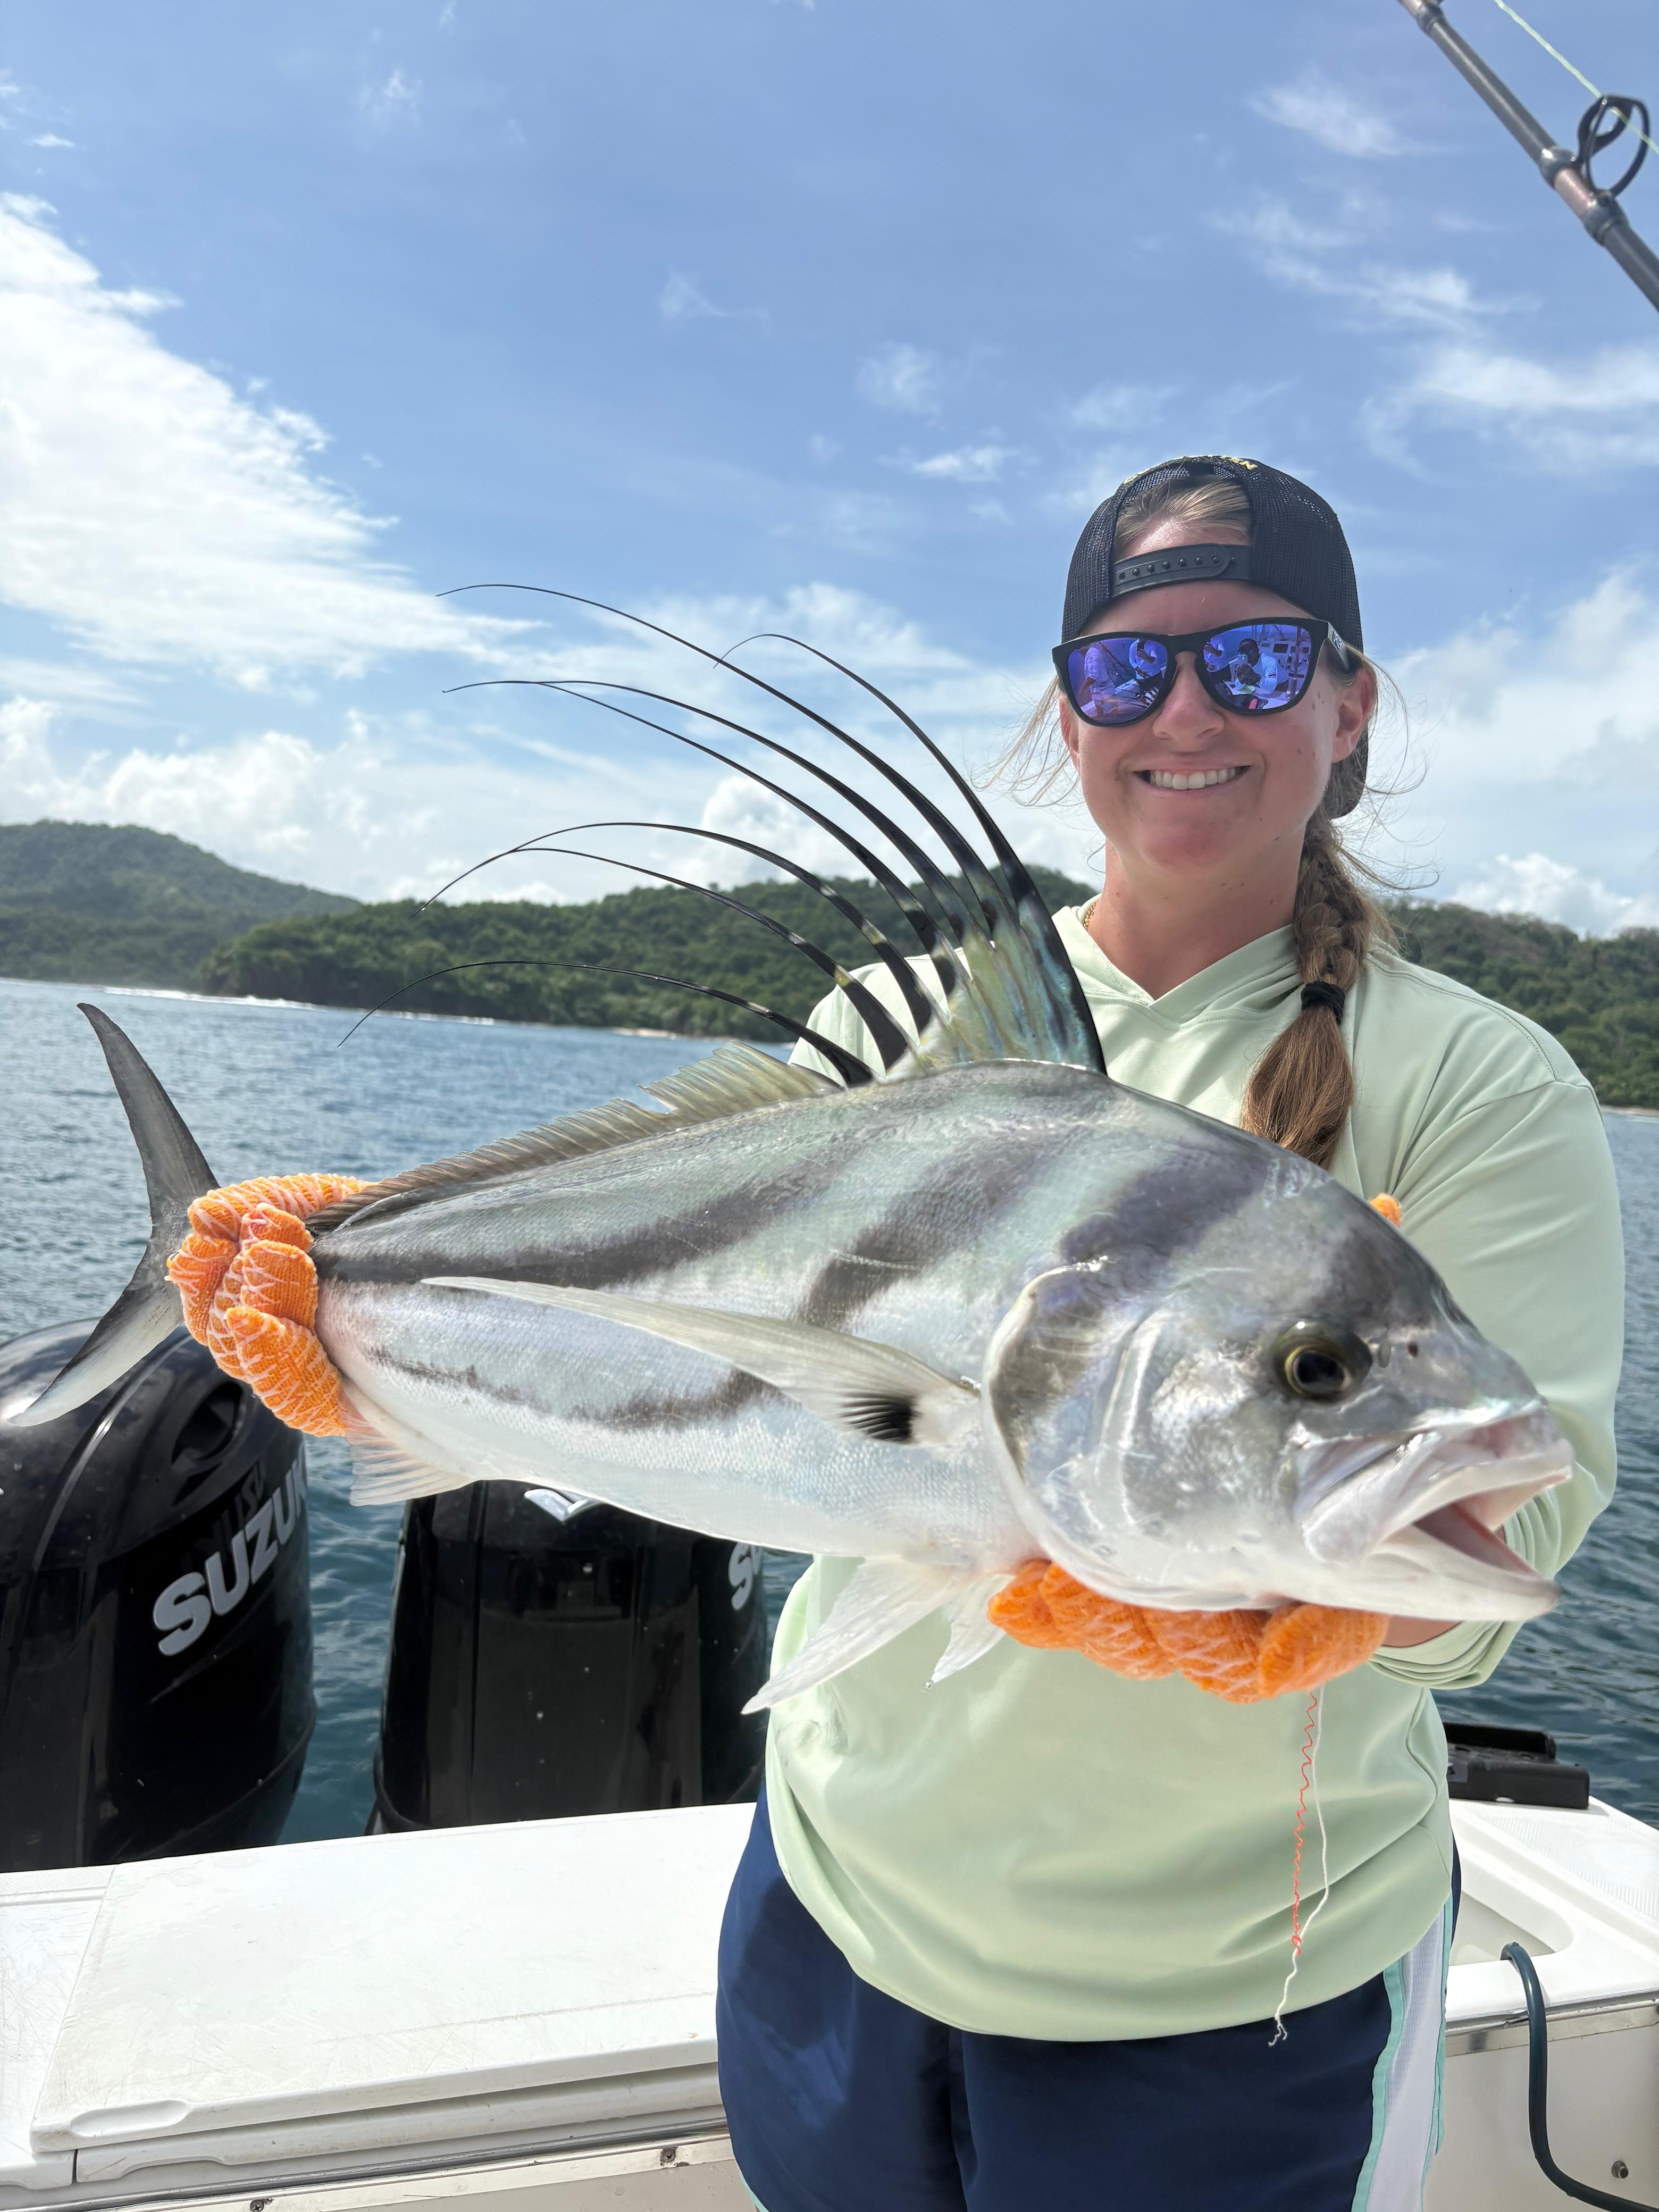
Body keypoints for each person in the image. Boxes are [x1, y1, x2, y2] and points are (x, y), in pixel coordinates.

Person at [715, 455, 1624, 2211]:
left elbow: (1517, 1551)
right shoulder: (903, 1023)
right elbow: (744, 1406)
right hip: (838, 1897)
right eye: (1129, 671)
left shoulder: (1477, 1083)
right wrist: (365, 1328)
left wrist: (1307, 1616)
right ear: (1070, 717)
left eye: (1258, 664)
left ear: (1350, 704)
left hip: (1231, 1999)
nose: (1187, 711)